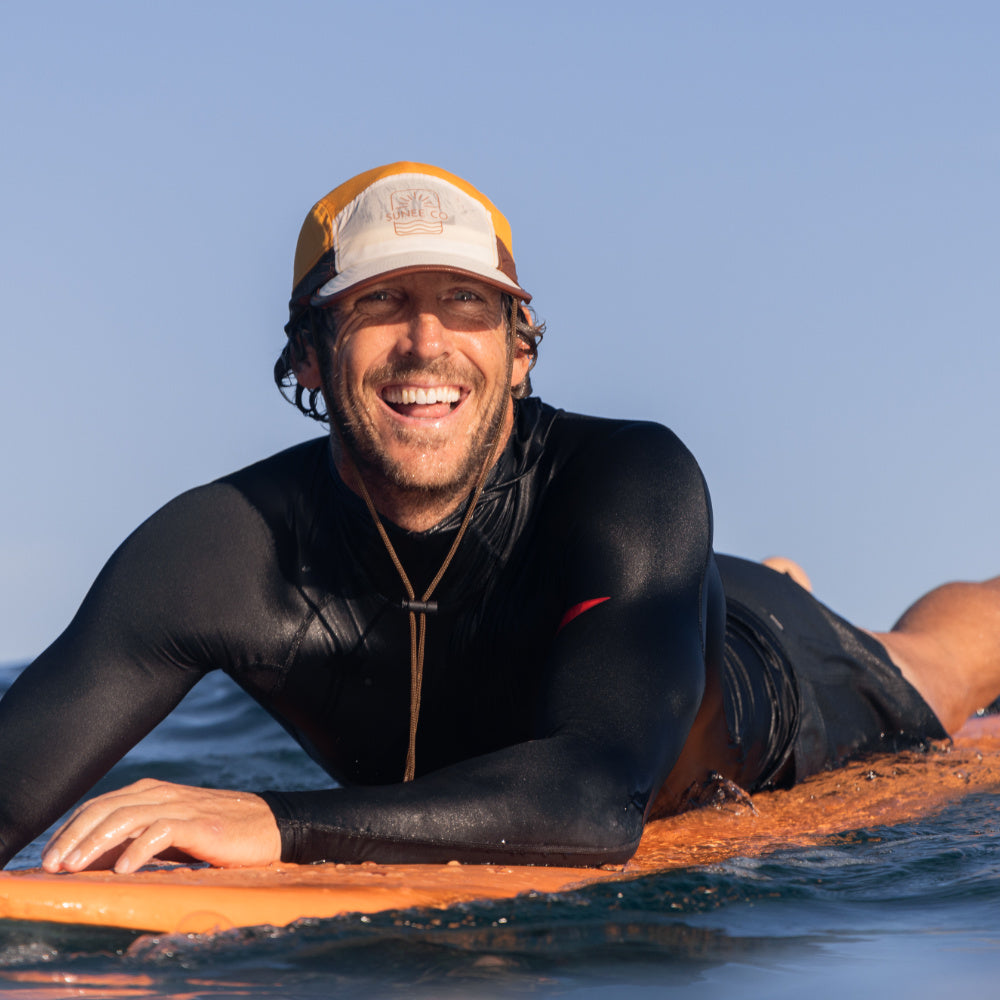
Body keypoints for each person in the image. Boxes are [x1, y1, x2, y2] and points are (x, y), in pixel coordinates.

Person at [1, 162, 998, 875]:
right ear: (307, 355)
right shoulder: (222, 551)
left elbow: (595, 802)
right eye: (379, 303)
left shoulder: (627, 477)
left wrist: (274, 822)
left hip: (754, 700)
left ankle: (794, 601)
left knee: (939, 664)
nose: (425, 340)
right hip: (633, 609)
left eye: (467, 304)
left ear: (520, 351)